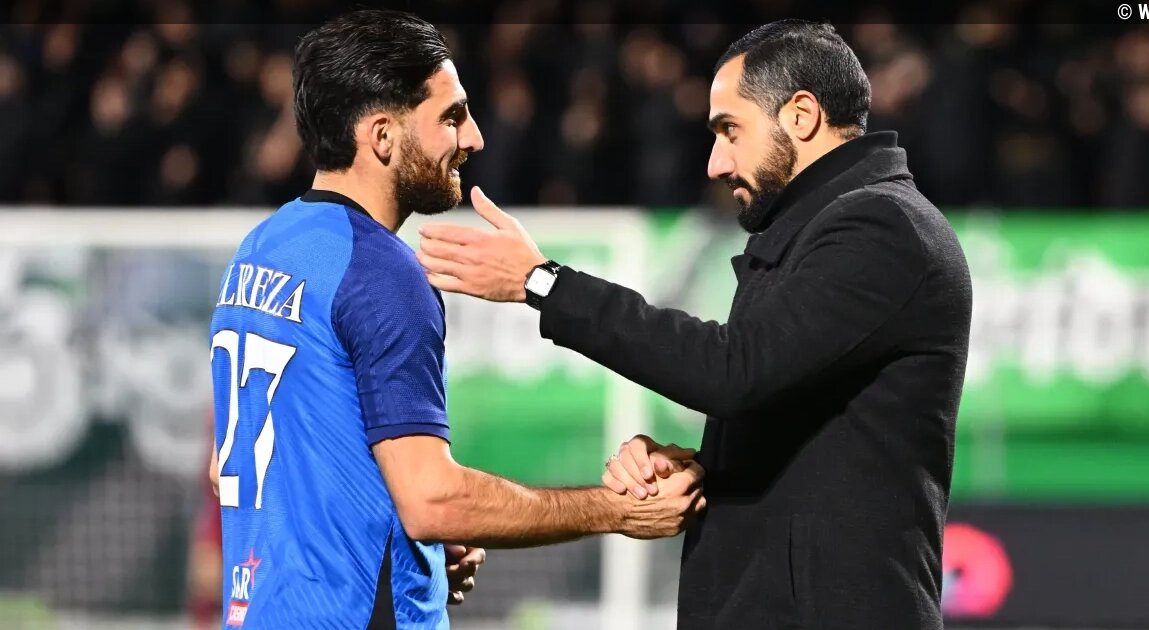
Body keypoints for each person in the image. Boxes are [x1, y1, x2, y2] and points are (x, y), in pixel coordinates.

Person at [417, 19, 972, 630]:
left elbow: (734, 370)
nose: (715, 163)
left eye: (730, 130)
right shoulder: (818, 233)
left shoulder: (883, 229)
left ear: (801, 115)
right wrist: (698, 467)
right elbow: (801, 431)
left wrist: (543, 282)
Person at [208, 10, 705, 630]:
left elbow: (242, 466)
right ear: (382, 135)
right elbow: (431, 501)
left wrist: (404, 545)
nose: (474, 138)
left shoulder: (262, 248)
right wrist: (617, 510)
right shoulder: (380, 271)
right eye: (451, 116)